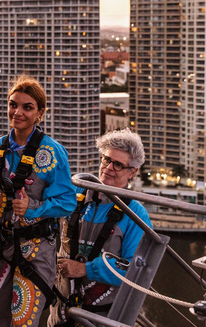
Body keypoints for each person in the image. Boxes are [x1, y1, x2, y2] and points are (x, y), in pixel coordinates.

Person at [0, 77, 75, 327]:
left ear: (40, 113)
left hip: (35, 251)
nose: (18, 112)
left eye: (27, 107)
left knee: (24, 321)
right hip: (1, 247)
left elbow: (67, 201)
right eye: (13, 105)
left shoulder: (51, 152)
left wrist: (32, 208)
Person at [49, 128, 152, 326]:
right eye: (106, 159)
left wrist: (85, 269)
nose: (109, 168)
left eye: (118, 164)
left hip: (103, 317)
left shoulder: (136, 215)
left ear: (133, 171)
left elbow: (135, 272)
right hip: (61, 310)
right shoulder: (76, 194)